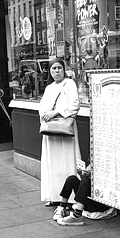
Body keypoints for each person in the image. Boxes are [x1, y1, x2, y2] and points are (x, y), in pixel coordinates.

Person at [38, 58, 81, 206]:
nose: (57, 71)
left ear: (64, 70)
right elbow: (42, 106)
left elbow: (74, 104)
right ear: (50, 71)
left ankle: (70, 198)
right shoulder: (49, 87)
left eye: (59, 68)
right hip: (50, 130)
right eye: (54, 69)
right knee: (52, 162)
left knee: (66, 160)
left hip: (64, 128)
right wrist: (45, 114)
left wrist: (55, 113)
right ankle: (54, 195)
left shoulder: (70, 84)